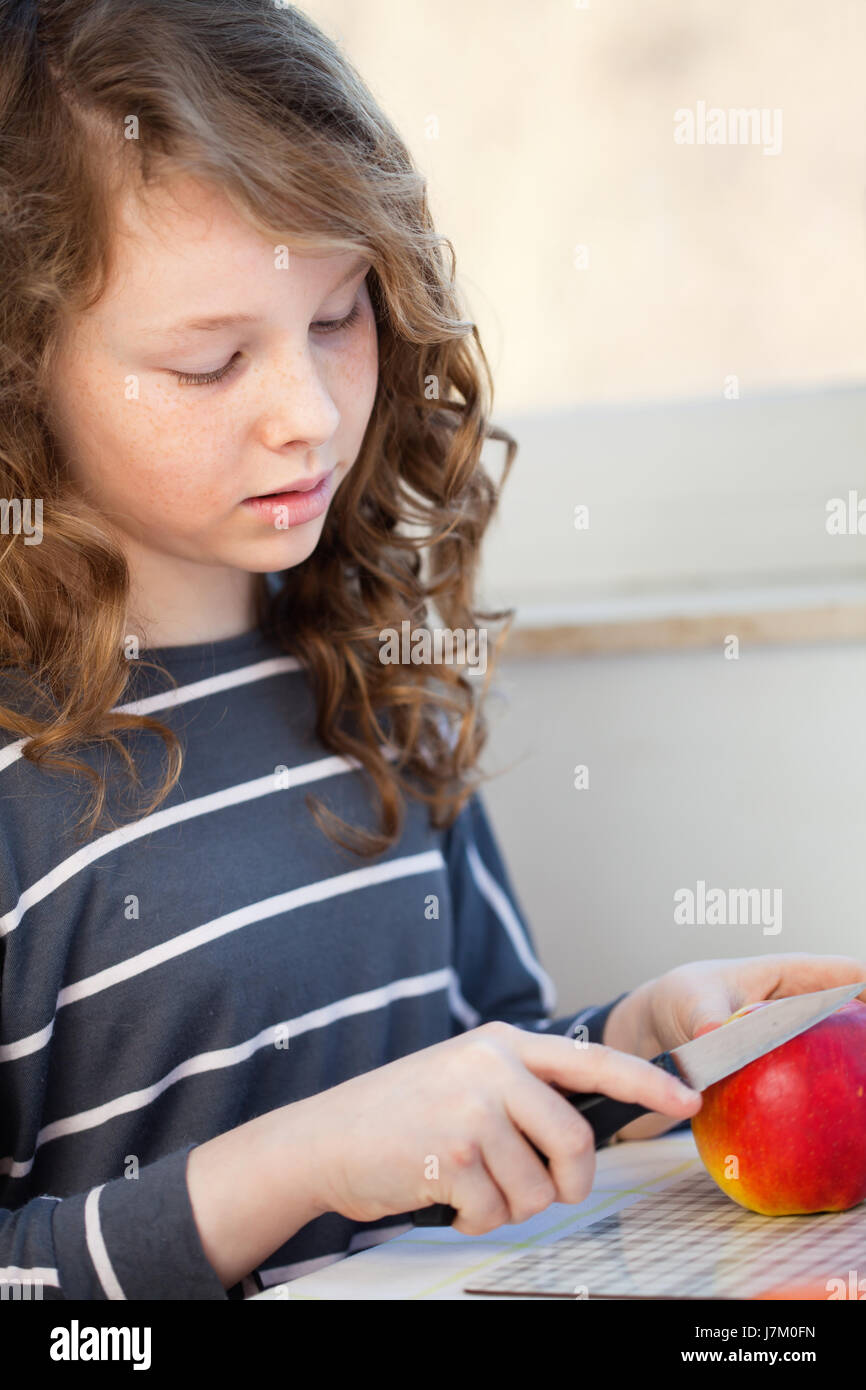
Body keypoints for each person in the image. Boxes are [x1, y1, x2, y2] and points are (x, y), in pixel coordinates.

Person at [0, 0, 862, 1302]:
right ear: (23, 373)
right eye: (211, 360)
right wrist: (292, 1163)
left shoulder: (365, 669)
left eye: (340, 317)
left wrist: (630, 1046)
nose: (306, 411)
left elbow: (467, 1079)